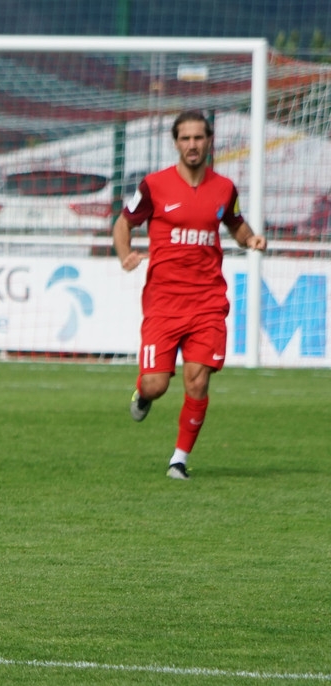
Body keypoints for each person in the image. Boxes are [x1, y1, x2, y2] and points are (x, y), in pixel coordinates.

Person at [112, 110, 267, 480]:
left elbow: (234, 222)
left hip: (208, 301)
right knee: (157, 383)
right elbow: (123, 222)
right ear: (176, 142)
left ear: (209, 141)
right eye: (185, 139)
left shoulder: (224, 188)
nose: (192, 145)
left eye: (199, 138)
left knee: (197, 379)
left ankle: (178, 459)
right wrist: (124, 255)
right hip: (164, 302)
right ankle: (143, 394)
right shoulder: (154, 186)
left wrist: (250, 239)